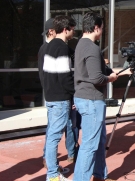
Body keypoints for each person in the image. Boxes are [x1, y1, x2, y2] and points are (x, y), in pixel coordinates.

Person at [73, 12, 118, 181]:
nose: (102, 32)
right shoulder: (92, 47)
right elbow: (96, 78)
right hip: (91, 100)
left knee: (99, 141)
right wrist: (111, 78)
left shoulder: (81, 44)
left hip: (86, 98)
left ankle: (99, 174)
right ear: (96, 27)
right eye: (102, 28)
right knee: (90, 145)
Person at [38, 19, 79, 170]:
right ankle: (53, 172)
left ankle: (53, 167)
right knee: (54, 136)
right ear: (65, 29)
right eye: (73, 29)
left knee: (53, 134)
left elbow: (48, 76)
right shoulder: (58, 47)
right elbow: (63, 77)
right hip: (60, 98)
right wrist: (75, 93)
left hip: (53, 97)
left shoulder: (50, 46)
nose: (74, 32)